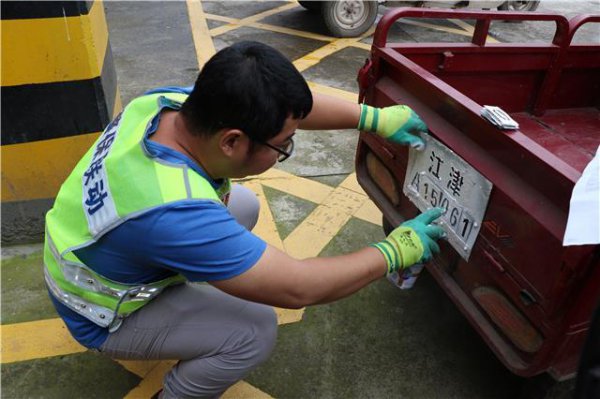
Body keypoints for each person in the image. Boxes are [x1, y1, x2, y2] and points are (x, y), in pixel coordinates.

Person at [44, 41, 444, 398]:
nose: (286, 147)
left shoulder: (165, 104)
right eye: (283, 146)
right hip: (100, 315)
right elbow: (299, 288)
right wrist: (393, 251)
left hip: (87, 248)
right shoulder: (175, 211)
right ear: (232, 141)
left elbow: (288, 112)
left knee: (245, 206)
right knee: (251, 331)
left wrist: (374, 119)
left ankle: (191, 293)